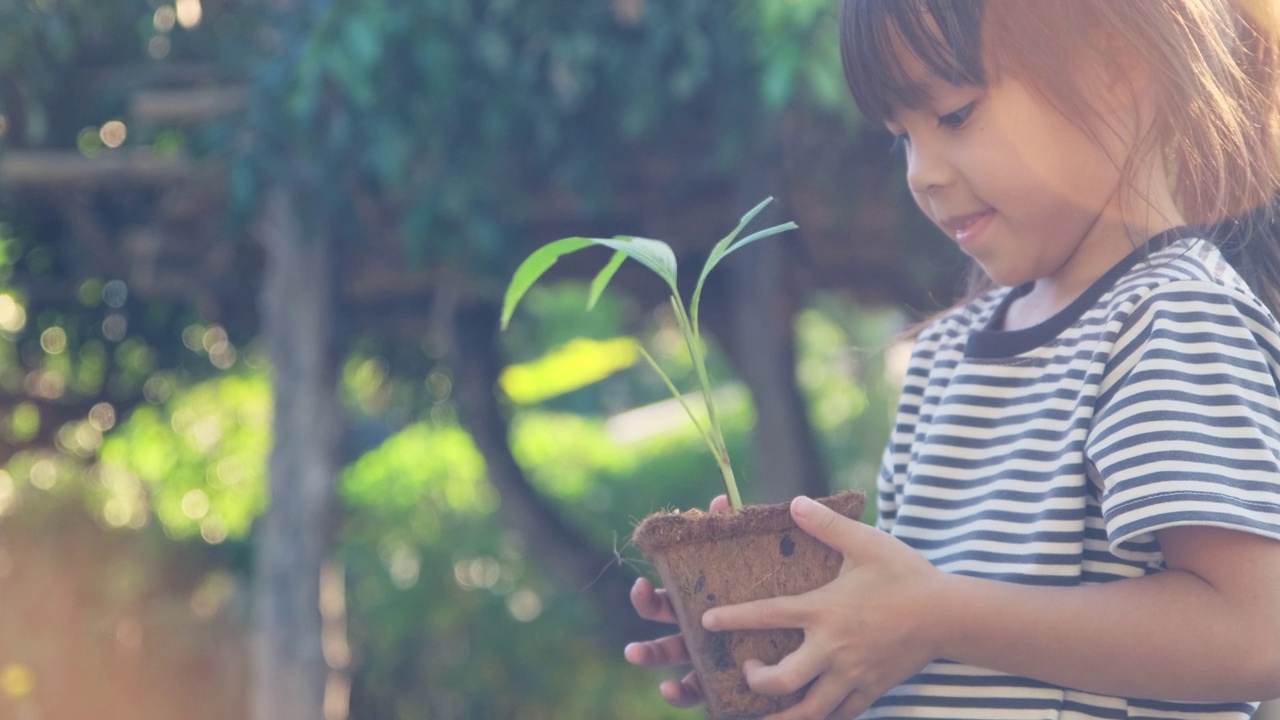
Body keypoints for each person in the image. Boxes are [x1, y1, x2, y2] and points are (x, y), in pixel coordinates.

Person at [624, 0, 1280, 718]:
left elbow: (1254, 635)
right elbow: (923, 643)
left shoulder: (1166, 318)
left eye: (956, 115)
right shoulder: (942, 359)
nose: (921, 173)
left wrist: (934, 615)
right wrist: (809, 643)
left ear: (1115, 68)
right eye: (901, 136)